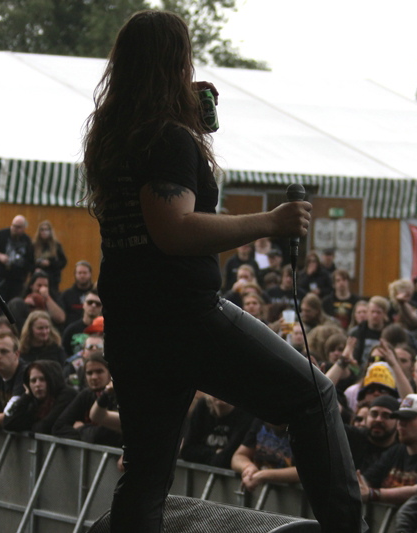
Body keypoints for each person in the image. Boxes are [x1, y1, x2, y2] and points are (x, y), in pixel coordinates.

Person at [81, 10, 363, 533]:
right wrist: (271, 221)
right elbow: (174, 229)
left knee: (146, 473)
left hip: (131, 323)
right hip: (184, 318)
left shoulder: (118, 139)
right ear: (174, 62)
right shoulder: (168, 139)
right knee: (313, 396)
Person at [358, 394, 417, 507]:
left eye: (408, 418)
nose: (400, 424)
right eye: (399, 418)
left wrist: (372, 494)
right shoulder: (395, 452)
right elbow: (368, 478)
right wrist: (358, 487)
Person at [53, 353, 123, 447]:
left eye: (99, 372)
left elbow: (110, 433)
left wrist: (81, 428)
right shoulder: (86, 395)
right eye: (89, 373)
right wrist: (87, 436)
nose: (94, 377)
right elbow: (58, 427)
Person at [180, 394, 255, 469]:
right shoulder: (203, 406)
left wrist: (203, 454)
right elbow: (187, 451)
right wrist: (215, 452)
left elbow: (227, 459)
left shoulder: (244, 413)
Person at [3, 360, 77, 435]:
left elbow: (46, 426)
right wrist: (26, 396)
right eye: (33, 381)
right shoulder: (33, 401)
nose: (37, 384)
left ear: (52, 379)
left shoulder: (67, 395)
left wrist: (29, 426)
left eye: (42, 379)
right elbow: (8, 423)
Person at [0, 215, 36, 303]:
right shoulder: (2, 234)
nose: (15, 229)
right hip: (1, 278)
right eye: (13, 226)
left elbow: (31, 261)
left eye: (18, 227)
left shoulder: (27, 240)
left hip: (18, 281)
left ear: (24, 228)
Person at [345, 395, 401, 472]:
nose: (378, 419)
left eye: (386, 416)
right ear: (367, 417)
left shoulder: (402, 451)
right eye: (374, 414)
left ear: (398, 422)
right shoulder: (351, 436)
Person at [32, 220, 68, 294]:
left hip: (53, 279)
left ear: (50, 231)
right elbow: (29, 261)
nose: (44, 232)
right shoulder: (34, 246)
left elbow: (63, 262)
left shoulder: (56, 245)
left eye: (46, 230)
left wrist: (50, 263)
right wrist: (35, 268)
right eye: (42, 230)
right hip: (37, 278)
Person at [60, 260, 96, 327]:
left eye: (85, 273)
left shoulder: (97, 294)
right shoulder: (66, 295)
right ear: (75, 274)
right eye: (79, 273)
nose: (82, 276)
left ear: (90, 274)